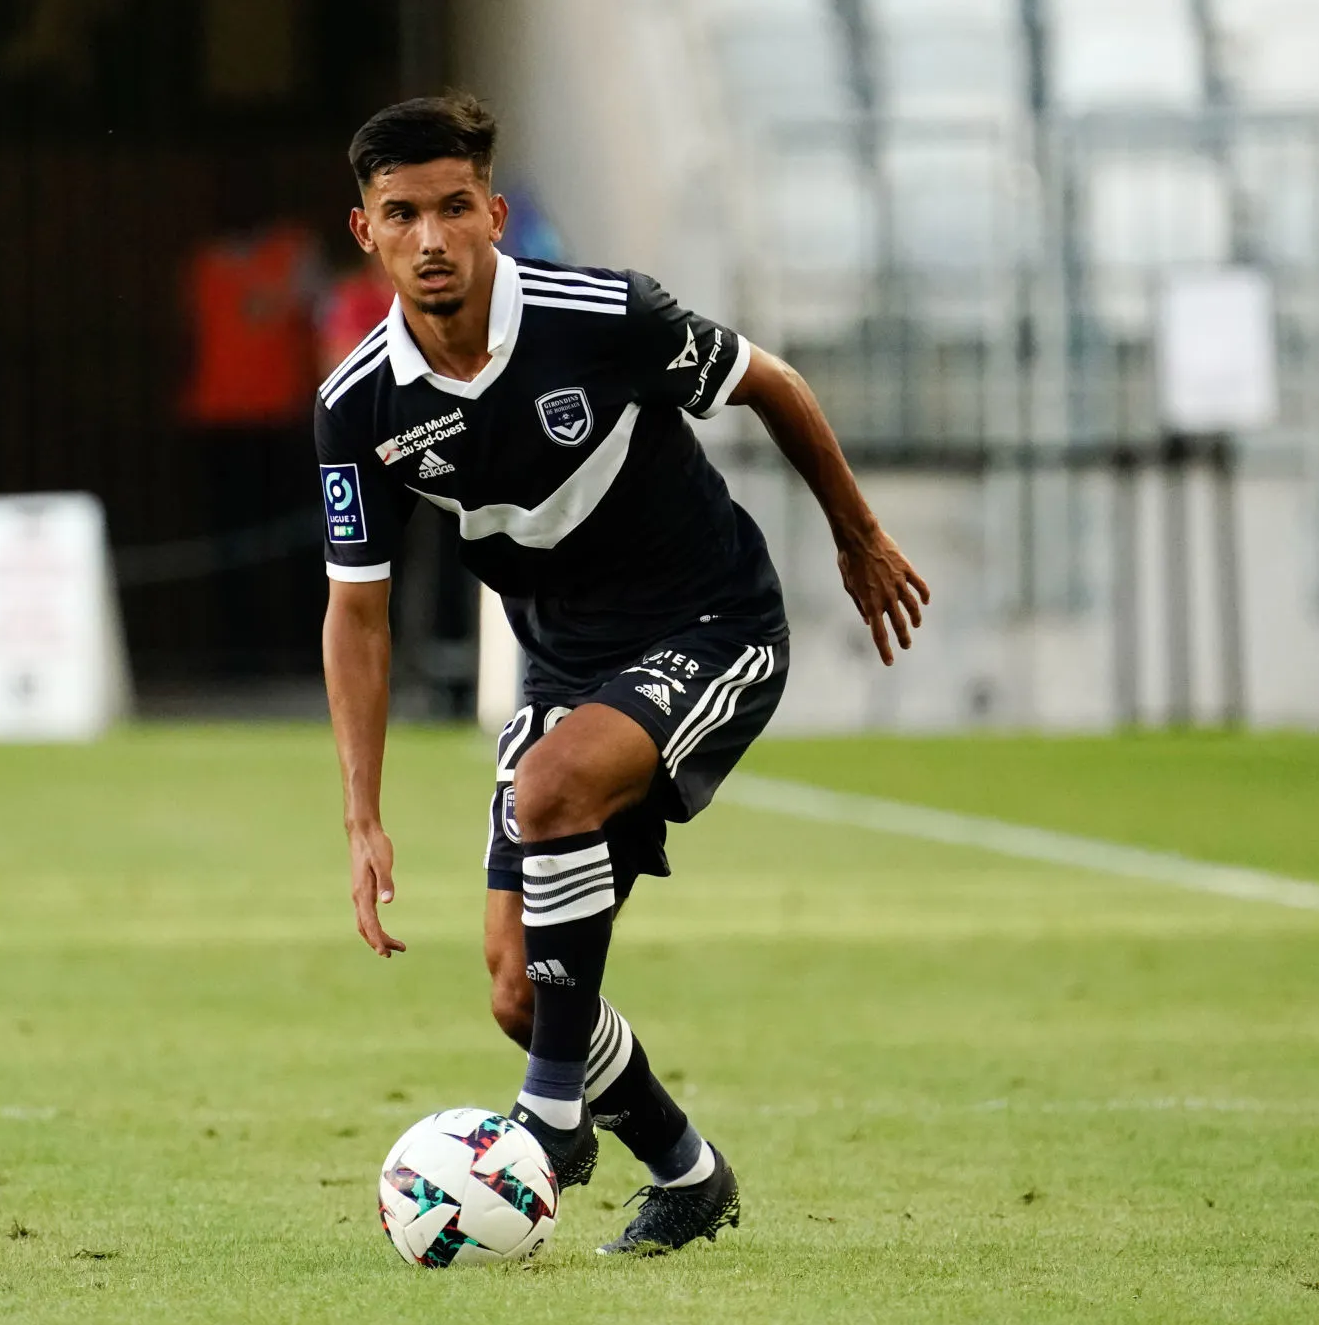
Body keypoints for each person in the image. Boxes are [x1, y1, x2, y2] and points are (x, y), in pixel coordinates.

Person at [316, 93, 929, 1256]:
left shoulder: (603, 315)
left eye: (455, 208)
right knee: (515, 990)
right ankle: (685, 1169)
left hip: (712, 620)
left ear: (495, 215)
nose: (433, 238)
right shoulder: (358, 406)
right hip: (564, 657)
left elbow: (770, 381)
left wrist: (855, 536)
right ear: (366, 232)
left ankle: (546, 1120)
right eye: (403, 214)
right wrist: (360, 813)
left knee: (550, 792)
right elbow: (358, 614)